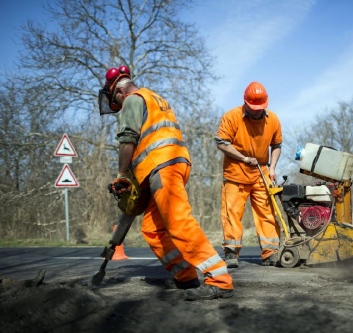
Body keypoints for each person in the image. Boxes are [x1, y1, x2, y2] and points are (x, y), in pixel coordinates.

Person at [98, 65, 233, 301]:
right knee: (152, 229)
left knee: (178, 222)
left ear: (117, 92)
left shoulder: (132, 100)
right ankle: (185, 276)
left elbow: (128, 139)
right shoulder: (155, 99)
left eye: (115, 100)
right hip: (168, 165)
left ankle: (219, 280)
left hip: (163, 166)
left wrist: (121, 174)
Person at [215, 81, 282, 268]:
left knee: (267, 213)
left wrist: (273, 167)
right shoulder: (232, 117)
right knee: (232, 214)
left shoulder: (273, 120)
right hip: (236, 172)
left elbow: (276, 145)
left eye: (260, 108)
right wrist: (244, 158)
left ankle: (270, 253)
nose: (256, 111)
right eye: (253, 108)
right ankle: (231, 252)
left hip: (262, 172)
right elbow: (222, 143)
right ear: (245, 102)